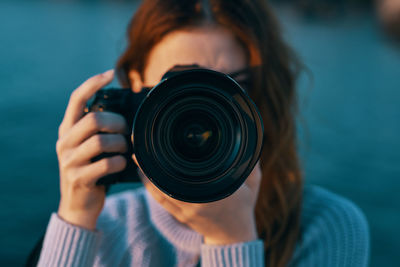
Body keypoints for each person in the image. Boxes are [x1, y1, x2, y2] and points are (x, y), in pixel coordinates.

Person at [36, 0, 370, 266]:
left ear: (262, 96)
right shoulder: (107, 226)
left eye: (233, 86)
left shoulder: (327, 227)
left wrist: (232, 239)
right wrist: (77, 217)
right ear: (136, 88)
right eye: (179, 87)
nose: (206, 111)